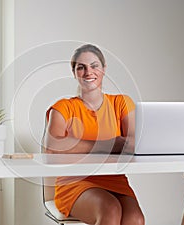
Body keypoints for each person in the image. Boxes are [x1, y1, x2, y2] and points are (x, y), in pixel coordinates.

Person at [44, 44, 144, 225]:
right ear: (74, 73)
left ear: (104, 69)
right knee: (110, 210)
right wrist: (108, 145)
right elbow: (53, 147)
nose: (88, 72)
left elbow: (135, 143)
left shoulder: (121, 103)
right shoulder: (63, 107)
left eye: (94, 65)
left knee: (135, 219)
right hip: (74, 182)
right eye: (81, 67)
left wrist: (75, 146)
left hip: (114, 180)